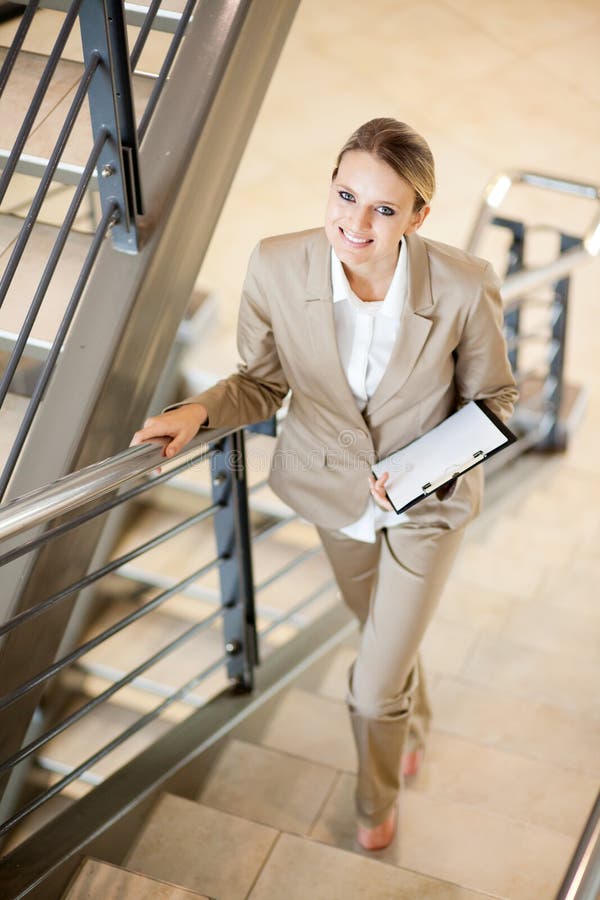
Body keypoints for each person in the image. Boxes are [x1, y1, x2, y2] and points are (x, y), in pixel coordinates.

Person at [131, 118, 518, 851]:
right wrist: (199, 410)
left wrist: (414, 473)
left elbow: (493, 400)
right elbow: (260, 381)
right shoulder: (278, 266)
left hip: (425, 510)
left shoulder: (464, 286)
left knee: (371, 685)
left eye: (383, 208)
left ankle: (375, 801)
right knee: (383, 638)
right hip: (331, 500)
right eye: (345, 195)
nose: (356, 222)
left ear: (417, 216)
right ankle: (414, 716)